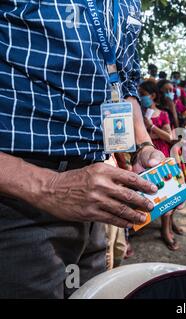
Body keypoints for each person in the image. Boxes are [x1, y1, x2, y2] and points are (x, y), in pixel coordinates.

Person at [0, 1, 164, 298]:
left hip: (93, 200)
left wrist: (144, 147)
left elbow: (124, 86)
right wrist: (49, 186)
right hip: (16, 203)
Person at [139, 79, 181, 251]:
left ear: (153, 96)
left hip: (163, 154)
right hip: (146, 158)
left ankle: (167, 230)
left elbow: (170, 137)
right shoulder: (138, 115)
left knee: (169, 193)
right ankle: (165, 228)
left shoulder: (163, 114)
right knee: (156, 194)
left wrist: (152, 128)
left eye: (143, 95)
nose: (141, 98)